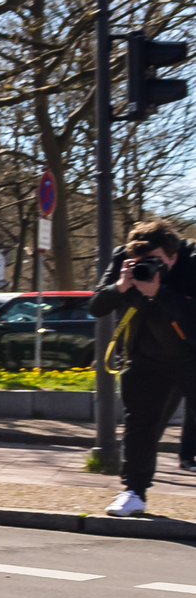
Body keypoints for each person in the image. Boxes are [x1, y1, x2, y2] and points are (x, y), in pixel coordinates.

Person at [90, 221, 192, 518]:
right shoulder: (124, 259)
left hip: (191, 355)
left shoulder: (192, 263)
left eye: (155, 261)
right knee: (139, 427)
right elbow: (96, 306)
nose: (145, 265)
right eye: (138, 260)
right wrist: (119, 286)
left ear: (172, 257)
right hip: (145, 358)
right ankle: (133, 492)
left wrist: (160, 292)